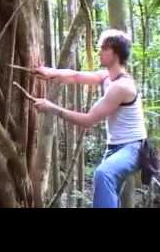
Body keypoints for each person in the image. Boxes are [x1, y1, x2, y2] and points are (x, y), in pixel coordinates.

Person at [32, 29, 147, 208]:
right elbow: (75, 76)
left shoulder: (122, 86)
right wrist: (50, 72)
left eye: (103, 48)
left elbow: (88, 120)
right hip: (114, 148)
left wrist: (51, 107)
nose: (98, 52)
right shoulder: (107, 77)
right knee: (108, 189)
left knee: (103, 174)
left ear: (115, 53)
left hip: (133, 148)